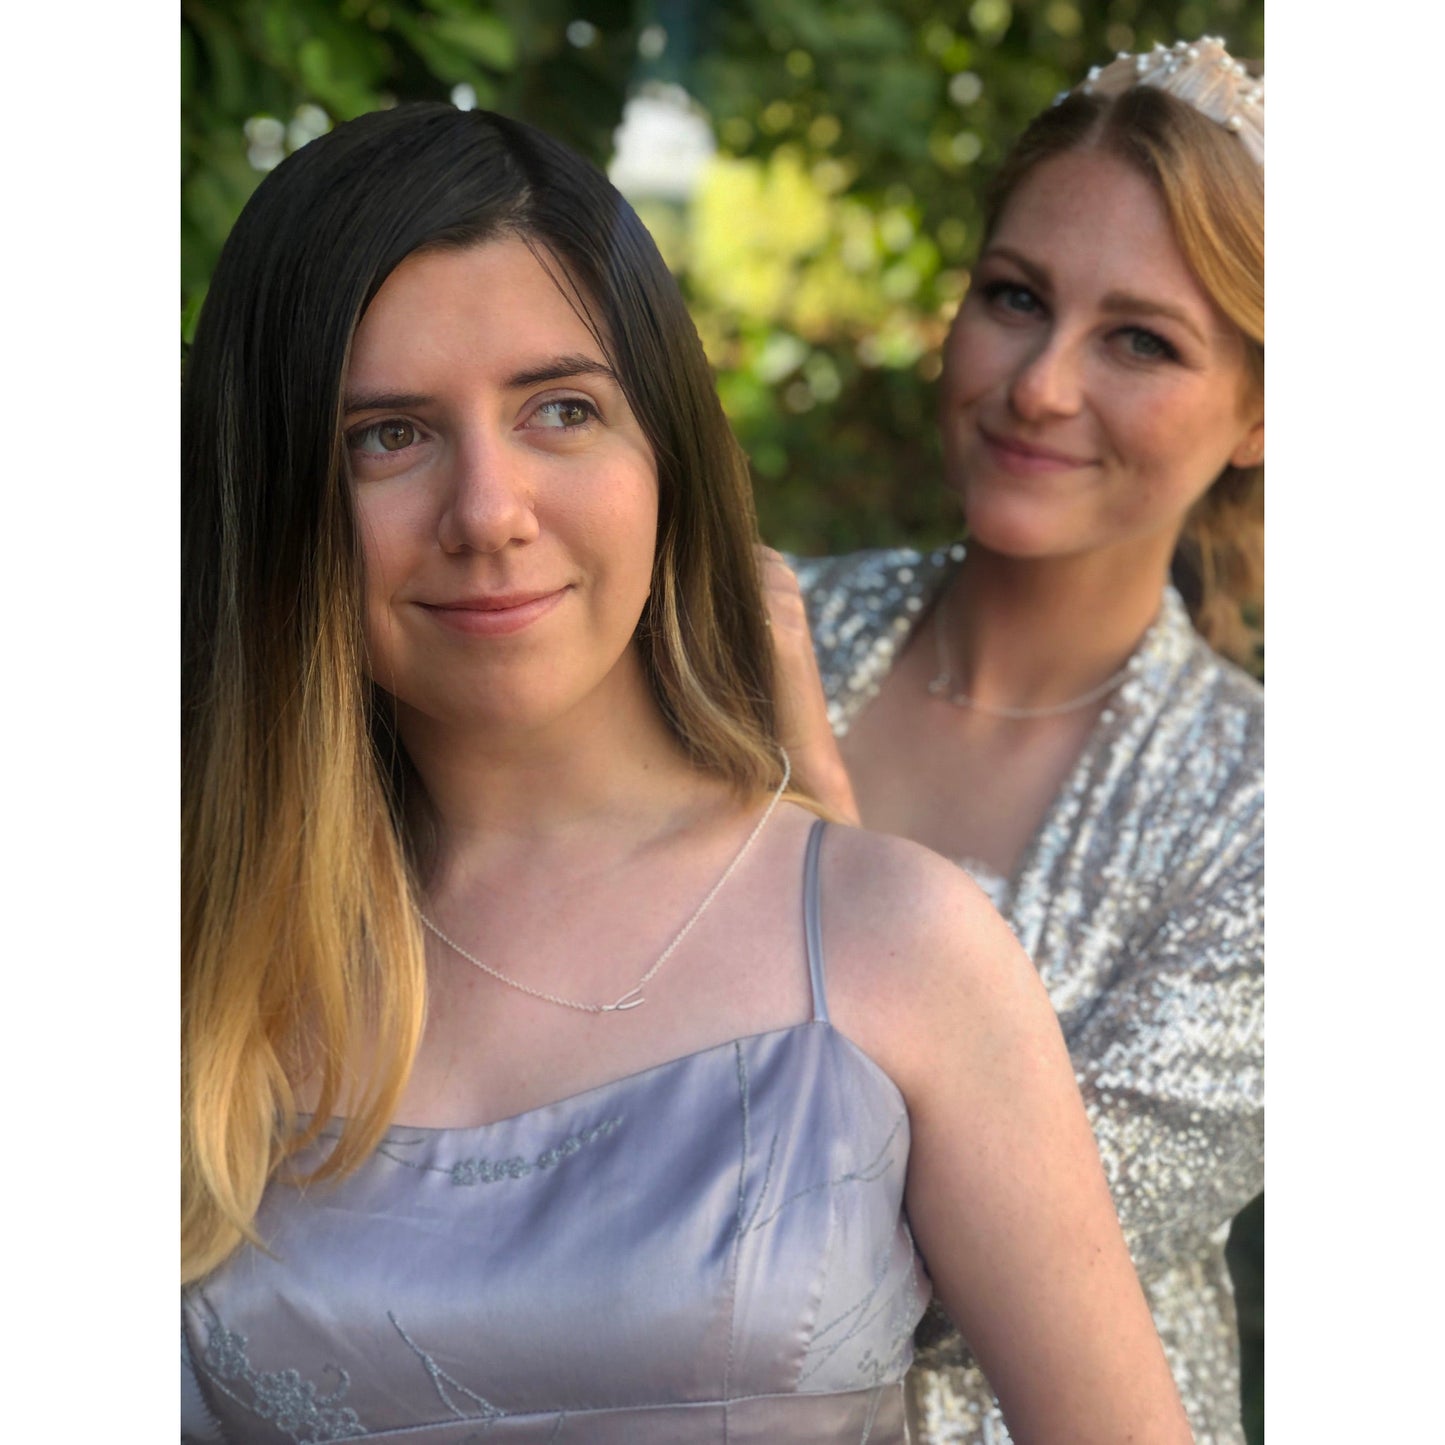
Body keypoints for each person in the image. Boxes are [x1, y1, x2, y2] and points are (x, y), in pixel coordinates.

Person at [180, 104, 1193, 1443]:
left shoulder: (896, 942)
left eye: (560, 409)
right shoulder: (183, 952)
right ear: (274, 495)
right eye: (388, 434)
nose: (488, 510)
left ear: (664, 451)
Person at [764, 36, 1264, 1445]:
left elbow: (935, 1271)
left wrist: (806, 779)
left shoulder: (1280, 820)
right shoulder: (764, 626)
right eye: (1013, 299)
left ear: (1264, 411)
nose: (1038, 385)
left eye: (1139, 340)